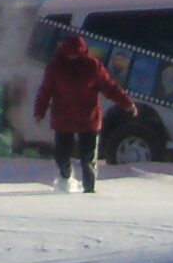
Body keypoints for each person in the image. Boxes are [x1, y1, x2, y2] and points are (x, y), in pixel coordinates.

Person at [31, 31, 138, 193]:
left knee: (87, 160)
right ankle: (66, 178)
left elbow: (109, 87)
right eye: (70, 55)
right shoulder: (55, 67)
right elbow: (46, 90)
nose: (73, 57)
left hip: (88, 119)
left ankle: (89, 191)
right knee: (61, 157)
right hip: (63, 118)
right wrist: (40, 111)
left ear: (82, 52)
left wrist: (127, 103)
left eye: (76, 55)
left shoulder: (93, 66)